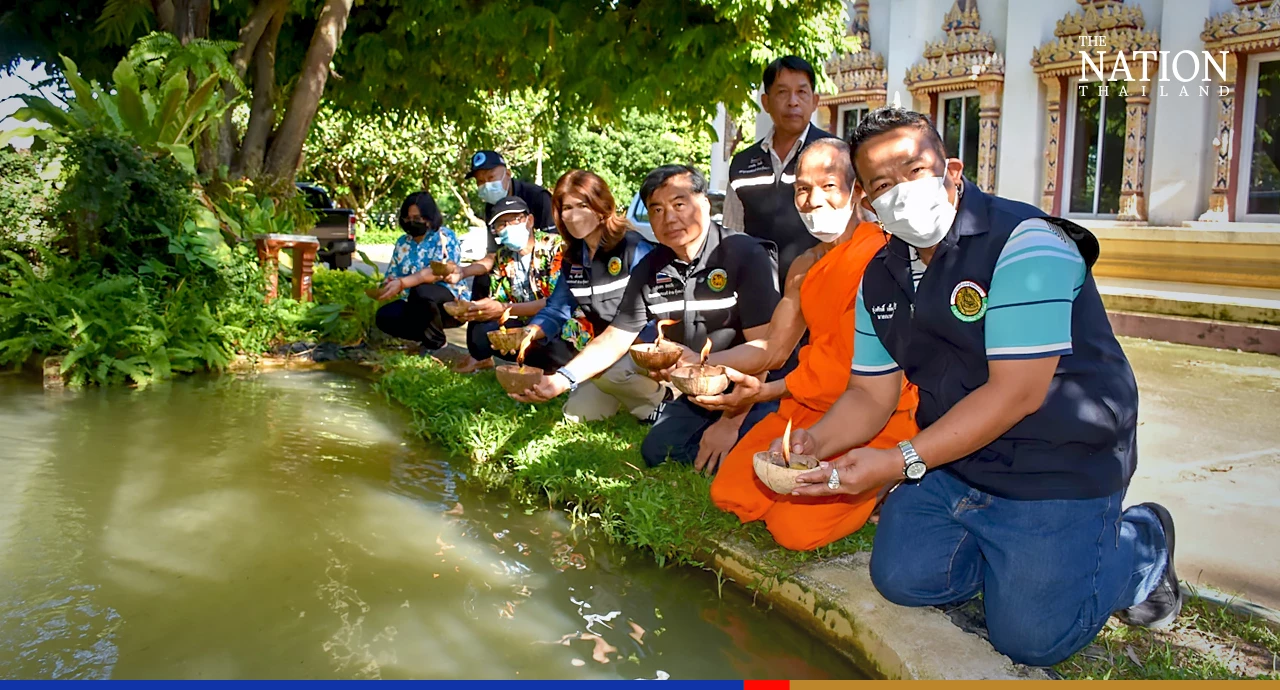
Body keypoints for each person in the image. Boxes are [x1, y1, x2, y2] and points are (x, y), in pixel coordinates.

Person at [776, 107, 1178, 666]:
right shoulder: (882, 274)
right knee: (901, 578)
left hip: (1056, 457)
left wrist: (901, 460)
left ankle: (1143, 541)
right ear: (868, 204)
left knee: (1033, 641)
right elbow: (870, 394)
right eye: (884, 184)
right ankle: (1014, 557)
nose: (903, 192)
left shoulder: (1028, 243)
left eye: (915, 171)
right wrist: (815, 442)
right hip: (957, 458)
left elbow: (1017, 394)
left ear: (953, 172)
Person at [687, 138, 918, 551]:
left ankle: (885, 480)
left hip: (879, 410)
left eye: (828, 186)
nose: (813, 201)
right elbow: (774, 347)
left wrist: (768, 390)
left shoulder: (887, 256)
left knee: (794, 531)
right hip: (808, 407)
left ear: (857, 191)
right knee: (731, 496)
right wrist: (707, 364)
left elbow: (852, 368)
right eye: (802, 190)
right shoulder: (804, 265)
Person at [512, 165, 781, 471]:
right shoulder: (652, 267)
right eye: (657, 209)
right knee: (657, 451)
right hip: (698, 386)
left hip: (759, 386)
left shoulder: (745, 253)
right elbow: (615, 337)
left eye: (679, 204)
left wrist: (730, 424)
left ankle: (749, 447)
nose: (669, 218)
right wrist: (560, 381)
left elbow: (765, 352)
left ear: (704, 203)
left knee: (749, 457)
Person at [522, 170, 666, 422]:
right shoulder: (573, 260)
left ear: (601, 208)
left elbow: (661, 312)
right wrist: (530, 332)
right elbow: (557, 309)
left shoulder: (633, 248)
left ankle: (659, 401)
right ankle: (626, 390)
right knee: (576, 414)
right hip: (605, 350)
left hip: (648, 344)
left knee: (611, 375)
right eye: (567, 207)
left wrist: (613, 355)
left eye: (582, 205)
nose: (574, 215)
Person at [723, 56, 835, 283]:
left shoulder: (836, 155)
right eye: (782, 92)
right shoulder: (743, 164)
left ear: (815, 101)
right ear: (766, 102)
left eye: (802, 92)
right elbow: (732, 231)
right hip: (756, 286)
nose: (793, 102)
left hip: (820, 283)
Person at [449, 196, 573, 373]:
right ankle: (495, 359)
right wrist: (475, 310)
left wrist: (504, 308)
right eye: (501, 224)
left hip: (555, 325)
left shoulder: (555, 248)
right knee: (482, 333)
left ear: (529, 221)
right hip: (524, 325)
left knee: (554, 343)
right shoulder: (503, 257)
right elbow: (497, 300)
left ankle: (554, 365)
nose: (507, 228)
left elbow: (556, 304)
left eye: (513, 220)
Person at [372, 191, 468, 351]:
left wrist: (403, 283)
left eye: (417, 219)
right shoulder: (403, 243)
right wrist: (386, 288)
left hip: (447, 303)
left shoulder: (444, 237)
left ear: (429, 218)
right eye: (408, 218)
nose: (412, 222)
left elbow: (437, 272)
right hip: (413, 304)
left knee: (422, 291)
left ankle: (438, 345)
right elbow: (392, 274)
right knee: (384, 316)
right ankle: (423, 340)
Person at [466, 150, 555, 265]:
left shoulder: (538, 197)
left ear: (507, 174)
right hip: (510, 269)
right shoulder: (490, 208)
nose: (487, 185)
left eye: (491, 177)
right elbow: (493, 253)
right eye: (480, 181)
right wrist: (463, 271)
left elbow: (555, 241)